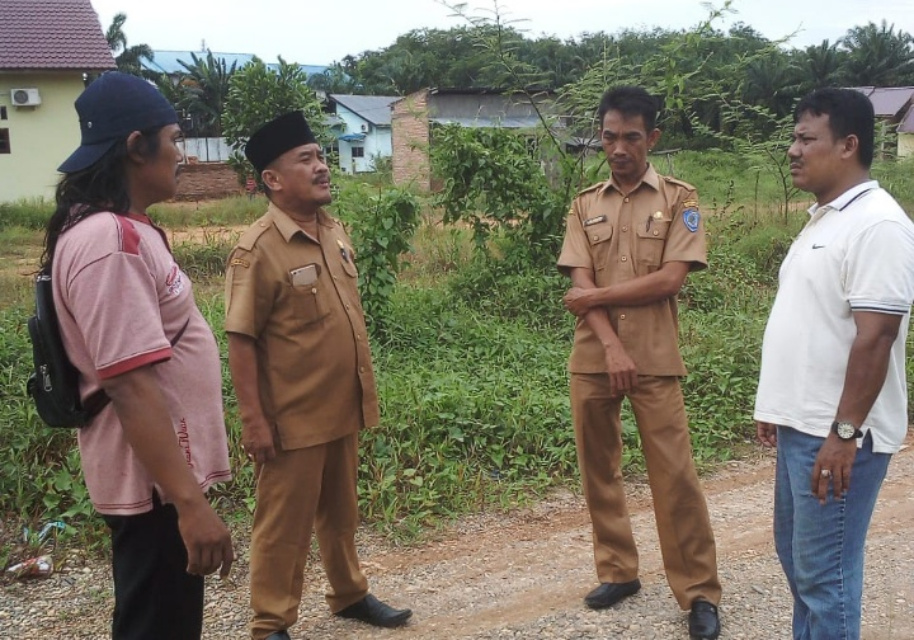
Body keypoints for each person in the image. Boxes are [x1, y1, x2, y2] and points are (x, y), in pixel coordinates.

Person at [44, 72, 234, 639]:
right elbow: (128, 383)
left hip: (160, 479)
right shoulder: (109, 244)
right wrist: (189, 505)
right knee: (159, 625)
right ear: (135, 145)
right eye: (173, 139)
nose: (182, 155)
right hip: (153, 487)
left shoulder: (123, 230)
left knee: (159, 620)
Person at [224, 111, 412, 640]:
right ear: (273, 179)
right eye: (305, 159)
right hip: (291, 416)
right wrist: (254, 420)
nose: (321, 166)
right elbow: (240, 338)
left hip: (341, 404)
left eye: (321, 155)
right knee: (282, 525)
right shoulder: (258, 248)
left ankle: (349, 595)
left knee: (340, 513)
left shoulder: (332, 230)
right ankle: (271, 622)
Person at [557, 86, 721, 639]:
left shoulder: (681, 199)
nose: (619, 147)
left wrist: (597, 300)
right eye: (609, 136)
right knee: (598, 470)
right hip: (594, 356)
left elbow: (671, 277)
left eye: (631, 136)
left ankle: (699, 592)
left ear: (652, 137)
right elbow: (578, 278)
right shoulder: (583, 204)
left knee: (675, 475)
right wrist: (609, 344)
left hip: (654, 358)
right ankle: (619, 572)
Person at [754, 88, 914, 640]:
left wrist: (845, 433)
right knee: (802, 566)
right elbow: (813, 322)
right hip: (803, 426)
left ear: (848, 145)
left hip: (839, 434)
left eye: (805, 139)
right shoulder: (824, 219)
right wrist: (775, 405)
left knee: (826, 578)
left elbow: (876, 337)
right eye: (793, 138)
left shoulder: (878, 226)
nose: (793, 150)